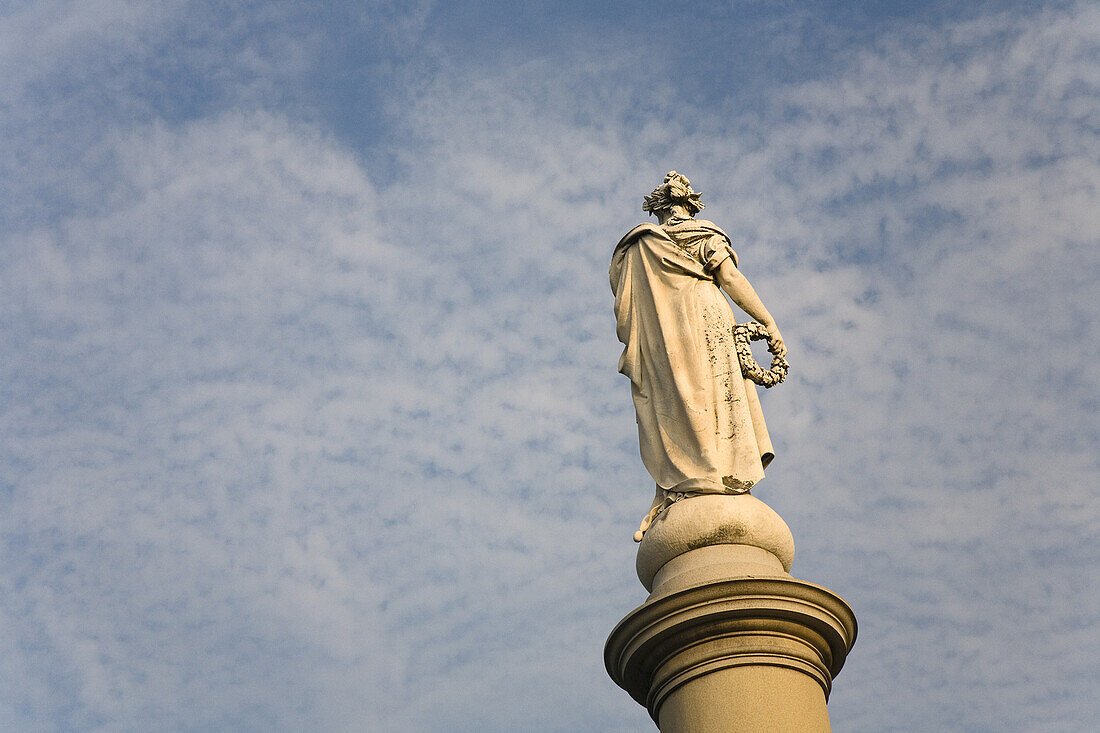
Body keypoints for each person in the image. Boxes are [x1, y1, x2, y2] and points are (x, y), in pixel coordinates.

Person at [611, 172, 786, 540]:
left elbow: (626, 308)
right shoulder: (703, 233)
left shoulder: (641, 245)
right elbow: (732, 279)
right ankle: (720, 470)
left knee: (678, 397)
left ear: (657, 207)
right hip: (705, 317)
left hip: (666, 328)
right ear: (691, 203)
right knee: (716, 393)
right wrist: (768, 320)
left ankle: (688, 477)